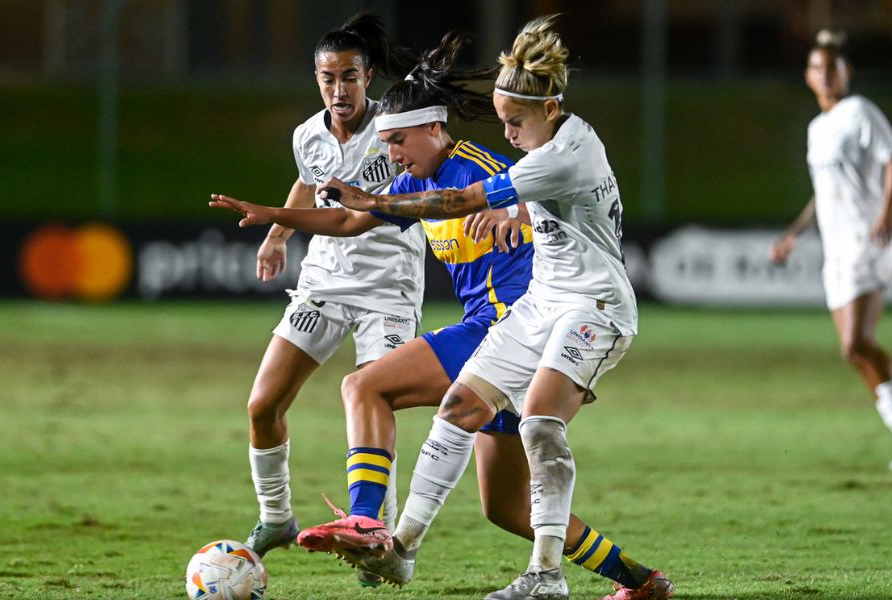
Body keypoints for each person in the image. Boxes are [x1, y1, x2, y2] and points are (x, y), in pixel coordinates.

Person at [213, 30, 670, 597]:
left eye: (400, 142)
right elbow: (352, 222)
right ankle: (641, 581)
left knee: (365, 387)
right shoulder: (417, 176)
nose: (393, 157)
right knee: (506, 508)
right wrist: (276, 215)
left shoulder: (479, 167)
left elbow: (511, 189)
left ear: (434, 129)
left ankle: (374, 528)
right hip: (523, 326)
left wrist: (515, 212)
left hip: (518, 322)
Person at [233, 13, 427, 587]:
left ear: (368, 77)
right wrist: (277, 235)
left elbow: (349, 216)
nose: (338, 90)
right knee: (262, 406)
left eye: (349, 77)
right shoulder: (307, 134)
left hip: (387, 289)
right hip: (323, 283)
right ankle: (275, 519)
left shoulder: (396, 128)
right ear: (316, 79)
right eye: (327, 79)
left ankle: (376, 541)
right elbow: (307, 179)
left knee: (375, 405)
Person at [770, 30, 892, 470]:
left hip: (867, 239)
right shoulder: (817, 128)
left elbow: (891, 157)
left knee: (854, 342)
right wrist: (794, 233)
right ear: (808, 76)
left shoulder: (859, 112)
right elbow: (824, 192)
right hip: (835, 248)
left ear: (846, 72)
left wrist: (885, 214)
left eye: (832, 68)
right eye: (817, 68)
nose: (825, 75)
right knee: (856, 351)